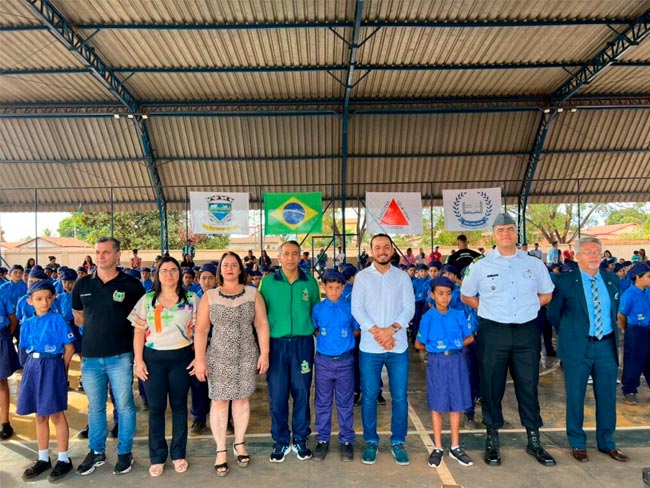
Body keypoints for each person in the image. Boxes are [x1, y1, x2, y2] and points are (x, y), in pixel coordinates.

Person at [461, 213, 556, 467]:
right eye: (501, 230)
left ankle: (534, 440)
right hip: (494, 332)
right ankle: (492, 440)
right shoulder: (481, 265)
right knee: (492, 388)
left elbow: (547, 293)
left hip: (526, 331)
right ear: (493, 234)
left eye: (510, 229)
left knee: (528, 385)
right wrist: (489, 310)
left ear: (517, 234)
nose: (506, 233)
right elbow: (466, 295)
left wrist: (528, 306)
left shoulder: (533, 264)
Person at [547, 236, 629, 463]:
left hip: (606, 346)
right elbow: (554, 314)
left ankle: (607, 442)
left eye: (597, 252)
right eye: (588, 252)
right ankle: (577, 442)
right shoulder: (564, 281)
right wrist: (571, 335)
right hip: (577, 347)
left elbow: (614, 311)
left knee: (607, 396)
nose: (594, 256)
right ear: (577, 256)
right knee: (575, 395)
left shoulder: (612, 279)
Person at [71, 237, 145, 476]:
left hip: (121, 357)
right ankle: (96, 451)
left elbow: (141, 322)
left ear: (117, 255)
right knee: (95, 408)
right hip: (91, 359)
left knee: (124, 406)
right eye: (97, 252)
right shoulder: (82, 285)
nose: (100, 256)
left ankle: (125, 452)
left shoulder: (132, 286)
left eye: (105, 252)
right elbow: (79, 317)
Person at [192, 252, 270, 475]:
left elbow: (262, 325)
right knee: (219, 402)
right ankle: (220, 450)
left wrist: (264, 353)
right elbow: (202, 329)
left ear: (240, 269)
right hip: (218, 356)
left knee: (242, 400)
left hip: (246, 355)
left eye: (233, 265)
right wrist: (199, 359)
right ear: (220, 270)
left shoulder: (253, 294)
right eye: (225, 265)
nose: (229, 268)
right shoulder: (210, 296)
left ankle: (239, 443)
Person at [129, 256, 198, 477]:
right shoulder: (148, 299)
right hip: (153, 360)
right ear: (157, 275)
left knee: (179, 407)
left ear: (180, 274)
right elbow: (139, 331)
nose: (169, 274)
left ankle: (178, 454)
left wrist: (199, 357)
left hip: (182, 358)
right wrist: (138, 361)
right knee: (156, 409)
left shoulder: (191, 299)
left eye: (173, 270)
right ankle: (157, 457)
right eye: (164, 270)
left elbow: (200, 331)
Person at [351, 234, 415, 466]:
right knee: (368, 397)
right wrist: (378, 332)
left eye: (386, 247)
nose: (382, 251)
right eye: (377, 247)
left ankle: (398, 441)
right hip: (370, 347)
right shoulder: (362, 277)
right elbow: (357, 309)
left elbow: (409, 308)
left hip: (398, 348)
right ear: (371, 251)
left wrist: (392, 330)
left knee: (399, 397)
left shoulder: (402, 277)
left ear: (391, 250)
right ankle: (371, 441)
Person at [259, 241, 320, 463]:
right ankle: (281, 440)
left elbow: (315, 312)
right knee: (277, 394)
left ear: (300, 257)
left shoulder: (310, 282)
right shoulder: (267, 283)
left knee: (302, 391)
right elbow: (261, 316)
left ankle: (301, 438)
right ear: (279, 258)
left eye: (295, 254)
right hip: (276, 345)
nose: (291, 257)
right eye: (287, 254)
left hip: (302, 344)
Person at [16, 281, 75, 481]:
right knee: (40, 415)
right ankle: (43, 458)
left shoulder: (58, 320)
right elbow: (24, 349)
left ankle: (64, 459)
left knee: (56, 414)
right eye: (39, 299)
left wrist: (62, 370)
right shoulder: (27, 323)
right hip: (33, 368)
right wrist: (28, 371)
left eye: (49, 298)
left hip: (52, 366)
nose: (45, 302)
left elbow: (69, 349)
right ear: (30, 301)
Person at [415, 276, 475, 468]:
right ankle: (438, 447)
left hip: (456, 360)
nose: (445, 298)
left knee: (456, 404)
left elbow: (469, 337)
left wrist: (455, 344)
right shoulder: (427, 318)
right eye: (440, 294)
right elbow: (418, 343)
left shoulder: (457, 315)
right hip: (437, 362)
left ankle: (455, 446)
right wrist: (436, 348)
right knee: (438, 404)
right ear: (432, 295)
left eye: (448, 294)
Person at [311, 270, 358, 462]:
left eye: (338, 287)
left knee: (345, 402)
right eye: (330, 287)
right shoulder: (318, 309)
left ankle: (346, 440)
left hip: (345, 361)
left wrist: (341, 345)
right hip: (323, 362)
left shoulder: (349, 308)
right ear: (324, 287)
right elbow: (315, 330)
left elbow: (355, 330)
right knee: (322, 402)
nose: (334, 291)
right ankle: (323, 439)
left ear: (343, 287)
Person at [617, 263, 650, 405]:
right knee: (633, 360)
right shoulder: (629, 294)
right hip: (635, 330)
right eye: (648, 277)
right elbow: (621, 315)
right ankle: (629, 390)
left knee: (649, 360)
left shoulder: (647, 291)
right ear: (638, 277)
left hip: (647, 329)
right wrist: (626, 329)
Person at [0, 268, 20, 440]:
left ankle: (5, 423)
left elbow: (13, 320)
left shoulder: (2, 295)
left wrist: (7, 338)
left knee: (2, 382)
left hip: (1, 337)